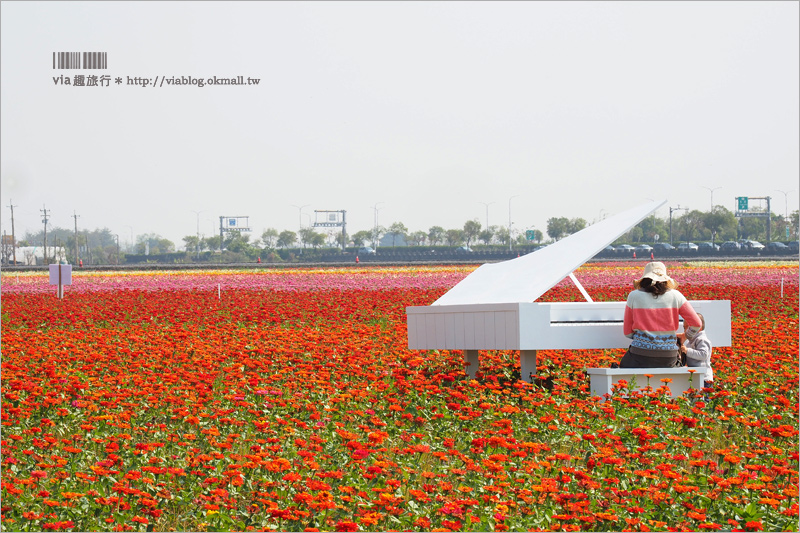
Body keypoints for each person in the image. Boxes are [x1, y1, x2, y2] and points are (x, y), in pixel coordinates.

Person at [619, 262, 702, 368]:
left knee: (623, 369)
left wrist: (644, 340)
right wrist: (685, 336)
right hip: (669, 357)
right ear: (665, 279)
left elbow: (627, 333)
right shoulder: (676, 296)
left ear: (644, 279)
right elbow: (697, 323)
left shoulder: (634, 296)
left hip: (640, 356)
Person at [678, 313, 714, 388]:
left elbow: (703, 354)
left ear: (699, 328)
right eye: (684, 328)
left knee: (704, 398)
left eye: (688, 328)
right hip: (696, 376)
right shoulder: (691, 341)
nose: (685, 331)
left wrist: (687, 351)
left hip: (704, 378)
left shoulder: (702, 339)